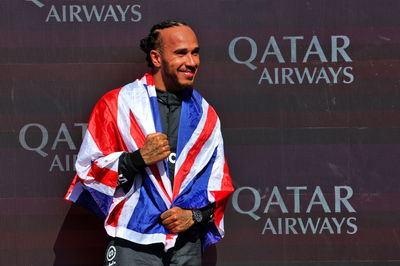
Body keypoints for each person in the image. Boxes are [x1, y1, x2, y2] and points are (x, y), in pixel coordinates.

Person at [65, 20, 234, 265]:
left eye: (195, 53)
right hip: (131, 240)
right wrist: (138, 159)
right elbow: (88, 172)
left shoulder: (206, 117)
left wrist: (193, 216)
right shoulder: (117, 104)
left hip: (185, 244)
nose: (192, 62)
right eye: (181, 53)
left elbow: (218, 188)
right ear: (156, 58)